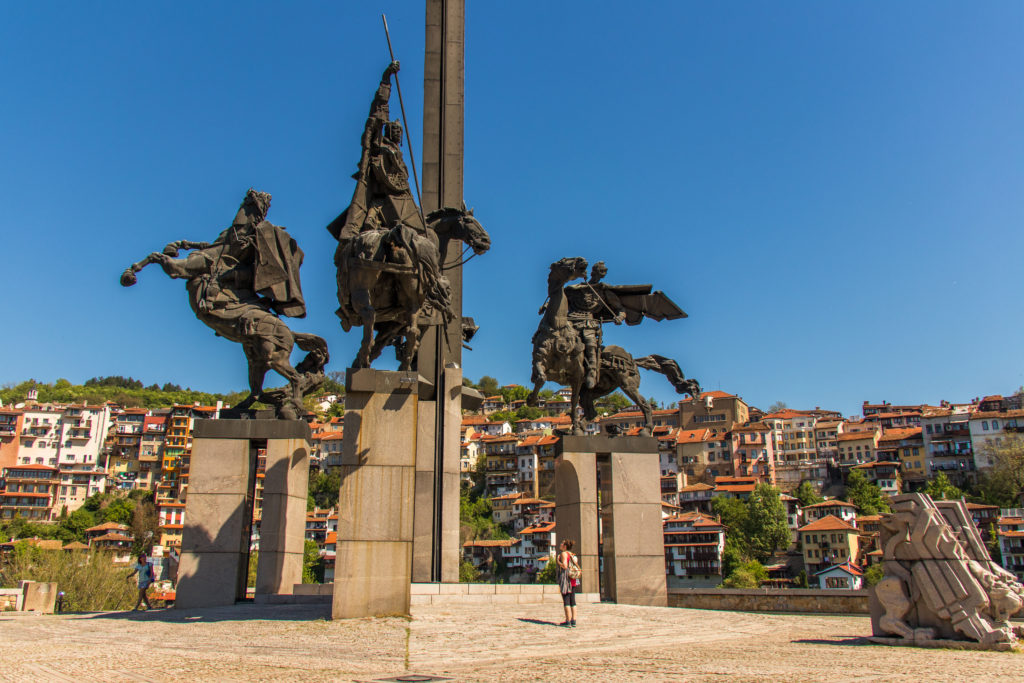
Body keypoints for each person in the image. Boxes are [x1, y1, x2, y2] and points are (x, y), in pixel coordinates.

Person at [556, 539, 580, 627]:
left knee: (566, 599)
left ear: (565, 546)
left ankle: (568, 621)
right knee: (572, 600)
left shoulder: (564, 554)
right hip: (573, 578)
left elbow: (565, 566)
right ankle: (574, 620)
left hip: (566, 578)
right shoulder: (572, 554)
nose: (560, 544)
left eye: (562, 543)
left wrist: (558, 562)